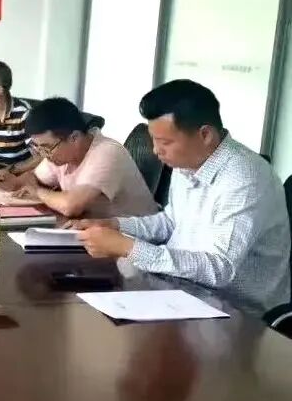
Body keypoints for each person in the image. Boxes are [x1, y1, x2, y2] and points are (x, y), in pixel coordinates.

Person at [71, 80, 291, 313]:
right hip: (180, 293)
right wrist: (115, 225)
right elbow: (171, 223)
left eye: (165, 142)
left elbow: (220, 268)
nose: (156, 151)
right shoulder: (187, 162)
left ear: (205, 135)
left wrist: (129, 247)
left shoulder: (245, 178)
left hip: (236, 314)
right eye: (154, 140)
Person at [0, 97, 158, 218]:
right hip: (96, 230)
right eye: (37, 147)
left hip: (134, 238)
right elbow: (34, 178)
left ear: (74, 137)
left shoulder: (107, 152)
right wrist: (14, 182)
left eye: (46, 148)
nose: (43, 154)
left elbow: (70, 206)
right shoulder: (59, 153)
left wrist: (37, 191)